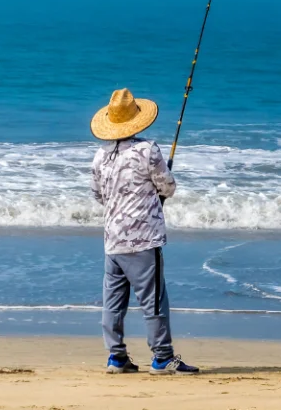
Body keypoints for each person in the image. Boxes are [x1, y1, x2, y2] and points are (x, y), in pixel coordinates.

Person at [89, 88, 198, 375]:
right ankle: (162, 357)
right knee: (153, 299)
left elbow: (98, 195)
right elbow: (168, 187)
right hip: (143, 240)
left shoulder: (100, 156)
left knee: (114, 301)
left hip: (112, 239)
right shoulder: (148, 150)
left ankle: (116, 357)